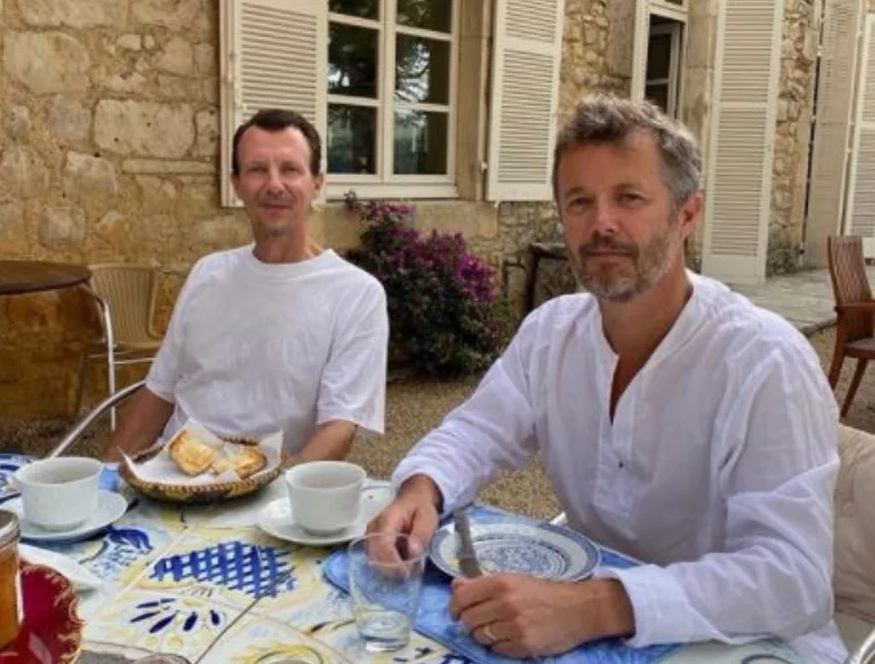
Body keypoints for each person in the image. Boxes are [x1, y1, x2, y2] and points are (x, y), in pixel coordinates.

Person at [369, 95, 846, 663]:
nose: (601, 225)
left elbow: (793, 577)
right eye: (580, 202)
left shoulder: (766, 363)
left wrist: (596, 606)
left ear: (686, 214)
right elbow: (475, 432)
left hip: (746, 645)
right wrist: (422, 489)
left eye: (629, 198)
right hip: (592, 635)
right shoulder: (551, 333)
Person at [102, 108, 388, 464]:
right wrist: (104, 477)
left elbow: (338, 429)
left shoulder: (355, 294)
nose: (274, 185)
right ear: (236, 184)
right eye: (257, 169)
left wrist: (282, 487)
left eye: (290, 169)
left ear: (317, 181)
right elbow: (159, 392)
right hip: (170, 474)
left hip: (265, 481)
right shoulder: (208, 273)